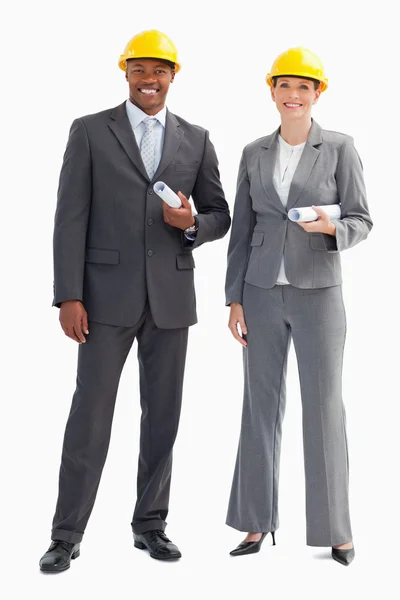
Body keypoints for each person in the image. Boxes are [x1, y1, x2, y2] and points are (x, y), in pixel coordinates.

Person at [39, 29, 230, 572]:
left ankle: (150, 524)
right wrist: (68, 295)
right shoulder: (91, 131)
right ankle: (65, 533)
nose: (150, 80)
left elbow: (221, 215)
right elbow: (68, 218)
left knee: (163, 417)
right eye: (140, 70)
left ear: (174, 76)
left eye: (160, 71)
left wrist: (192, 223)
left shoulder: (196, 138)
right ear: (125, 73)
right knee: (90, 416)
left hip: (170, 298)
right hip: (102, 300)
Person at [225, 47, 372, 566]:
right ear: (272, 90)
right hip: (261, 293)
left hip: (319, 295)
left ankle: (337, 530)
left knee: (324, 408)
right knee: (258, 407)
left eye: (303, 88)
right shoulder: (252, 152)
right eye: (284, 86)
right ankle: (253, 523)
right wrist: (234, 298)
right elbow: (241, 231)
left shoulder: (339, 147)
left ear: (318, 93)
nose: (293, 96)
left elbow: (361, 219)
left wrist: (330, 227)